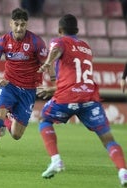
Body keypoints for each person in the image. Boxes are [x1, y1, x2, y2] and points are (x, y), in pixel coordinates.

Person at [37, 14, 127, 187]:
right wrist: (54, 89)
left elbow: (56, 50)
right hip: (89, 98)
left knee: (45, 119)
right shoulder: (86, 47)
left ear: (60, 30)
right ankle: (123, 172)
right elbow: (77, 78)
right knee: (108, 138)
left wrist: (48, 63)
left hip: (67, 97)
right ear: (77, 30)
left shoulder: (60, 41)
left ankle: (56, 160)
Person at [0, 8, 48, 169]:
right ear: (11, 23)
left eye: (22, 25)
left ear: (27, 25)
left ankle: (7, 121)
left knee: (17, 135)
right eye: (16, 24)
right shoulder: (2, 42)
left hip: (28, 91)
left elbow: (47, 64)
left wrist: (47, 80)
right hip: (8, 86)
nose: (19, 28)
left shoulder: (36, 42)